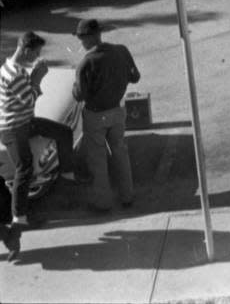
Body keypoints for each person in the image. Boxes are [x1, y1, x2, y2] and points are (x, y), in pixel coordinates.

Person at [2, 31, 75, 227]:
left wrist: (33, 76)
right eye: (35, 53)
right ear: (26, 50)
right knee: (24, 168)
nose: (36, 56)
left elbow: (27, 101)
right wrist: (38, 77)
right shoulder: (14, 74)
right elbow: (30, 99)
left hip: (25, 121)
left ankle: (67, 179)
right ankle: (19, 218)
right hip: (13, 128)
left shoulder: (12, 67)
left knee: (64, 132)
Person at [72, 19, 141, 212]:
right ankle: (127, 196)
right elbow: (135, 77)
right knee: (120, 152)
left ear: (91, 37)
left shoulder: (86, 62)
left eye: (82, 37)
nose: (81, 42)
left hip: (95, 115)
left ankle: (103, 203)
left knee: (98, 159)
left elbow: (79, 95)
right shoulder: (121, 51)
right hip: (117, 112)